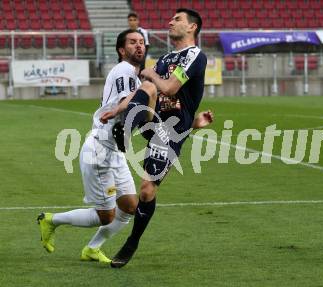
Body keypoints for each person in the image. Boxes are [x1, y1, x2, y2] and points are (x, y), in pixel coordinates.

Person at [36, 29, 156, 263]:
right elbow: (127, 103)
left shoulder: (135, 75)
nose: (139, 46)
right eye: (132, 42)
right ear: (122, 50)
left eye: (141, 42)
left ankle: (92, 248)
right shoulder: (123, 69)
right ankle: (50, 220)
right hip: (100, 150)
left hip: (116, 152)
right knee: (106, 216)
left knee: (130, 206)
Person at [101, 8, 207, 268]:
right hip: (153, 119)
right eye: (171, 18)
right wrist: (117, 109)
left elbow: (170, 87)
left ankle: (132, 243)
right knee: (147, 85)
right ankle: (125, 129)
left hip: (171, 132)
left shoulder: (195, 56)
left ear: (192, 27)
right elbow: (144, 89)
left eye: (177, 19)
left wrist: (151, 75)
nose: (170, 22)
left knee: (146, 192)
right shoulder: (167, 57)